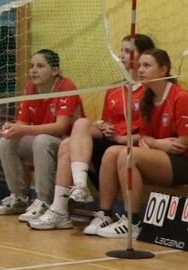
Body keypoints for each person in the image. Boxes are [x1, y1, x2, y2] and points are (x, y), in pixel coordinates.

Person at [43, 48, 188, 235]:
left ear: (163, 70)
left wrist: (154, 143)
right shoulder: (148, 99)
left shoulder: (179, 97)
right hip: (161, 154)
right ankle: (105, 213)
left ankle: (132, 221)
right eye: (140, 65)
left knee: (128, 156)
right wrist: (158, 143)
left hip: (185, 162)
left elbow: (184, 142)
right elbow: (145, 137)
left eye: (147, 66)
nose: (140, 70)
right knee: (112, 152)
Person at [27, 33, 155, 230]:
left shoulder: (149, 90)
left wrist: (122, 138)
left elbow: (151, 132)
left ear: (143, 55)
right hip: (110, 141)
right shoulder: (115, 88)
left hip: (131, 145)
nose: (122, 55)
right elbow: (106, 121)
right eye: (121, 50)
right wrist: (102, 125)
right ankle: (66, 202)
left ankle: (86, 204)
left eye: (128, 51)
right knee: (76, 131)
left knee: (68, 142)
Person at [0, 49, 81, 219]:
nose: (33, 70)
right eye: (31, 66)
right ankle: (19, 198)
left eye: (40, 66)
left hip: (69, 143)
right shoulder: (31, 88)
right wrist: (11, 128)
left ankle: (44, 201)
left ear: (54, 71)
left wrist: (23, 130)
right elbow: (22, 124)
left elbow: (61, 127)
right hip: (43, 140)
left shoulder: (66, 87)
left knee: (42, 141)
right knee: (7, 141)